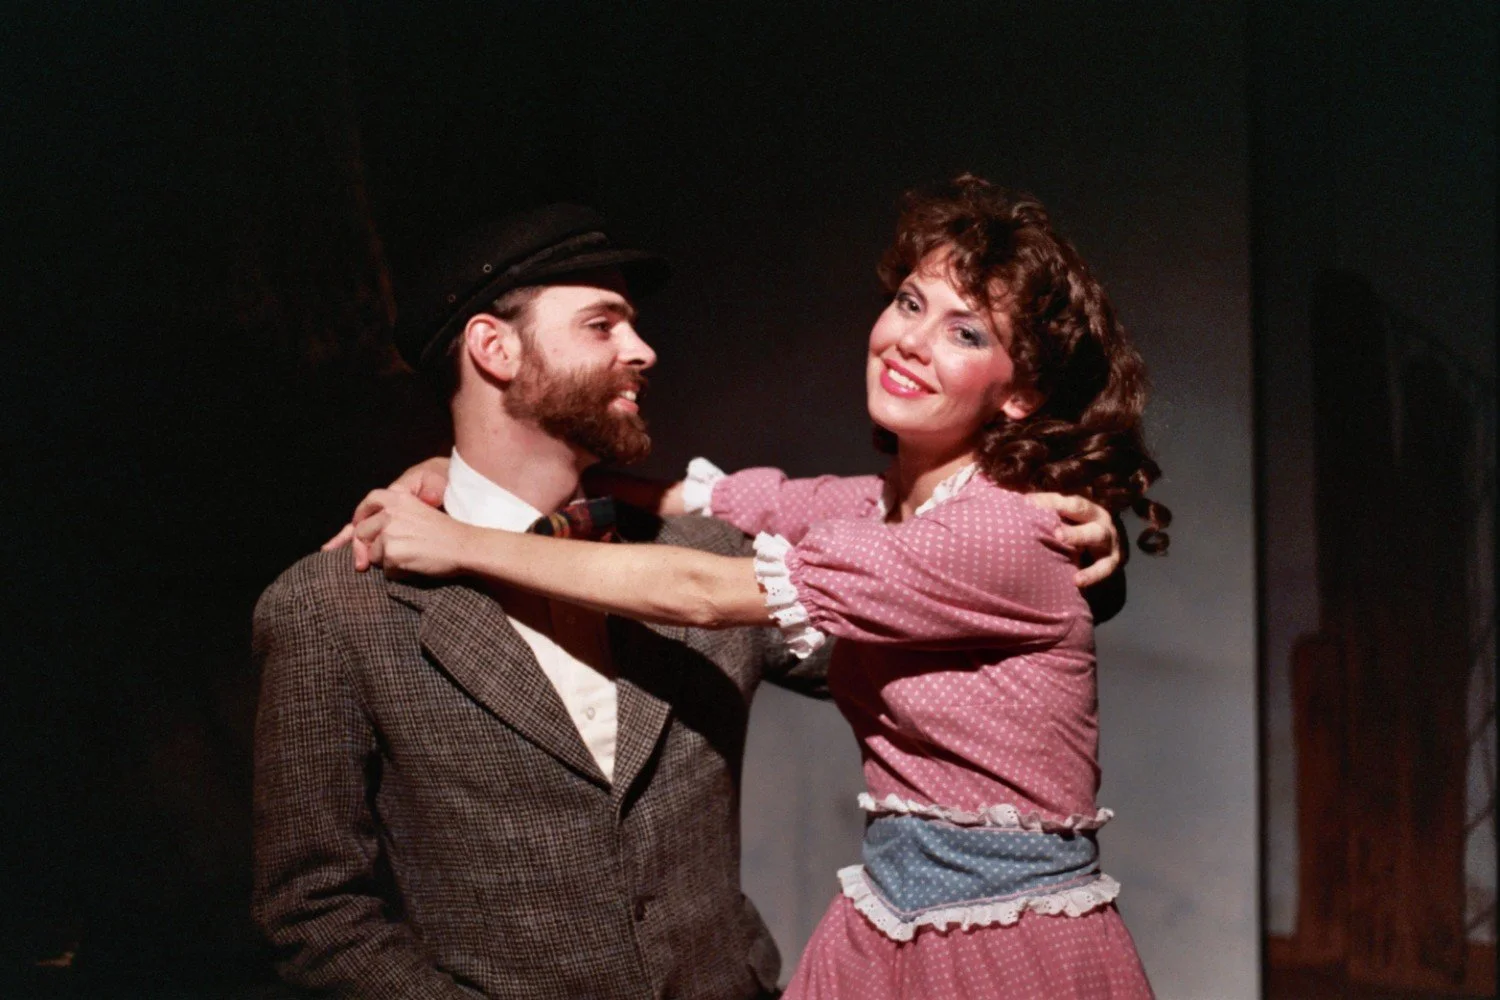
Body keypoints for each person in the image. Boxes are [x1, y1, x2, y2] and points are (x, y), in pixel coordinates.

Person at [254, 201, 1125, 999]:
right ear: (495, 349)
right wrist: (455, 482)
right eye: (604, 324)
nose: (644, 350)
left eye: (964, 329)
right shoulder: (333, 609)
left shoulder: (708, 561)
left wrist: (1089, 569)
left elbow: (927, 638)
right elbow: (316, 916)